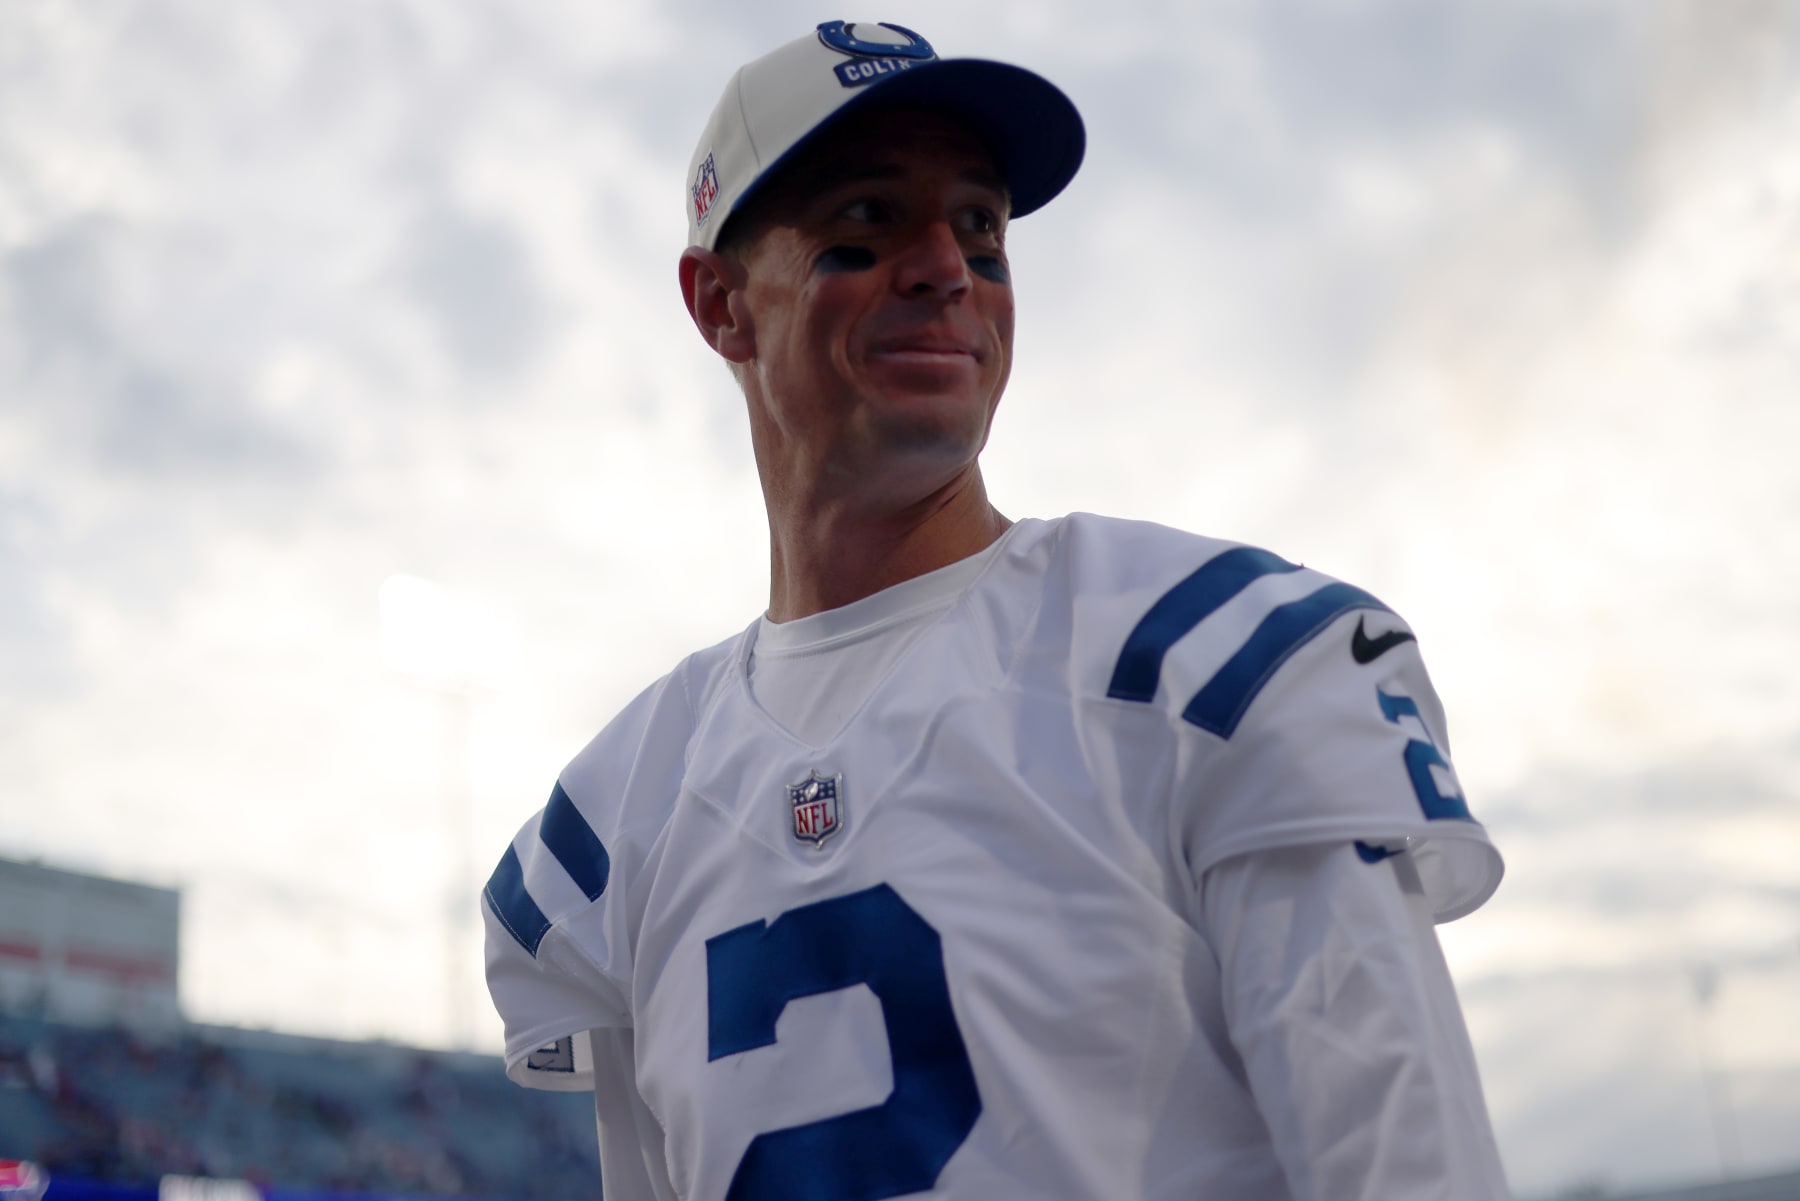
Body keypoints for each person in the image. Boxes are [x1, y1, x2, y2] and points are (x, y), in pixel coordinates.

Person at [483, 19, 1511, 1201]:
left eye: (980, 227)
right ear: (720, 303)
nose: (945, 268)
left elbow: (1406, 1170)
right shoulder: (619, 821)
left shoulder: (1199, 662)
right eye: (865, 222)